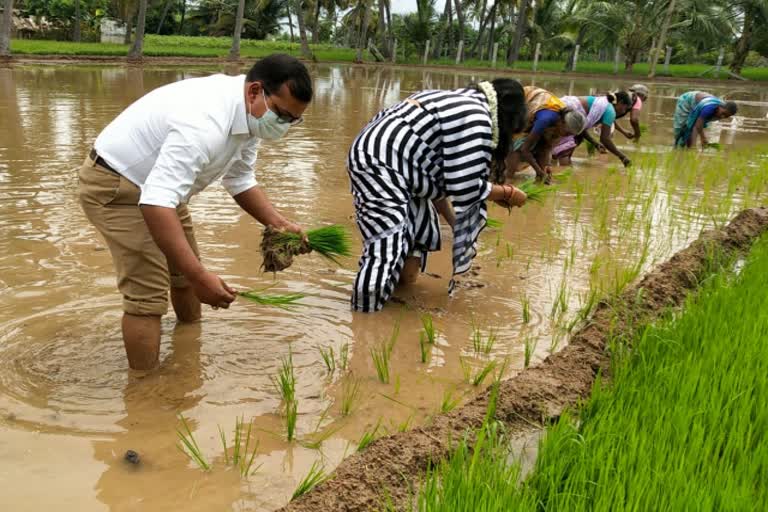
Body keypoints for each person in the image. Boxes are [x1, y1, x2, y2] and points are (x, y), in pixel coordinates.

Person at [78, 54, 312, 370]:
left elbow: (240, 179)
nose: (284, 126)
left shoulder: (248, 115)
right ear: (255, 91)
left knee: (185, 276)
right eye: (282, 115)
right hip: (119, 186)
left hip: (159, 191)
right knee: (148, 299)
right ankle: (145, 394)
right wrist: (201, 276)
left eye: (293, 120)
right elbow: (155, 202)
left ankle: (188, 351)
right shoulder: (205, 123)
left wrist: (280, 224)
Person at [347, 79, 529, 312]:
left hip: (403, 171)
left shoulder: (460, 104)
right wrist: (508, 193)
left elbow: (438, 179)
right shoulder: (477, 119)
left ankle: (396, 296)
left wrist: (453, 223)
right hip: (380, 164)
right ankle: (364, 318)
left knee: (422, 231)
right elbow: (466, 186)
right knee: (386, 244)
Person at [505, 86, 587, 184]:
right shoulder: (545, 120)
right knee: (517, 147)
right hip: (520, 105)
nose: (566, 136)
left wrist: (547, 165)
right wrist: (538, 171)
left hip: (537, 112)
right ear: (562, 122)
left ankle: (539, 180)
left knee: (542, 147)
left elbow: (547, 147)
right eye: (567, 132)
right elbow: (525, 149)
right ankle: (507, 179)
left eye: (570, 135)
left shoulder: (560, 124)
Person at [553, 92, 633, 167]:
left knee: (560, 142)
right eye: (625, 108)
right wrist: (622, 157)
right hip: (568, 111)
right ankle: (564, 172)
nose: (623, 112)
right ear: (621, 102)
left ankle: (554, 165)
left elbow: (581, 130)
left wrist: (595, 143)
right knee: (564, 150)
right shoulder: (610, 111)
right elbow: (605, 139)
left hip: (561, 104)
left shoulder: (603, 102)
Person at [673, 91, 738, 148]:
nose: (722, 116)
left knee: (690, 128)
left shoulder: (718, 110)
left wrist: (701, 138)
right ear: (720, 107)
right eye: (723, 113)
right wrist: (701, 139)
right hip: (686, 101)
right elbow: (697, 126)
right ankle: (678, 146)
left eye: (726, 116)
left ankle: (686, 146)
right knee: (680, 127)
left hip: (699, 103)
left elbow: (697, 126)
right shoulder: (708, 108)